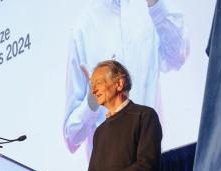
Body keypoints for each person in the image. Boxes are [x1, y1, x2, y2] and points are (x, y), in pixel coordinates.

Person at [63, 0, 188, 158]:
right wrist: (93, 102)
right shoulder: (83, 28)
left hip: (152, 166)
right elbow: (71, 137)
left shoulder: (152, 11)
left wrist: (155, 5)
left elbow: (178, 56)